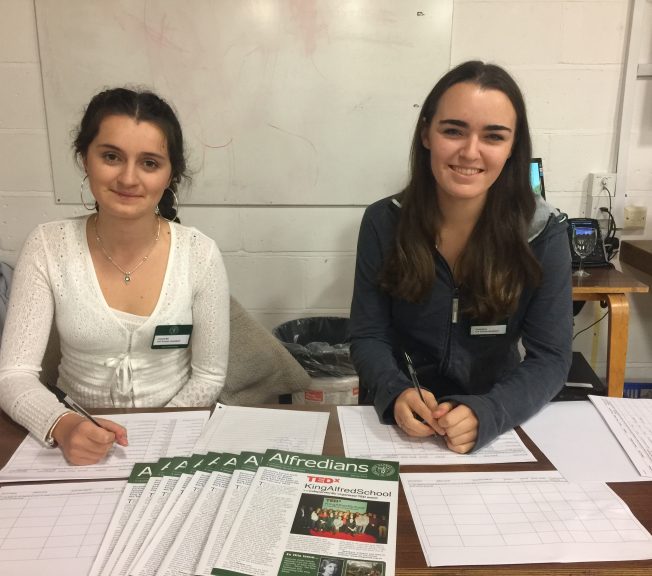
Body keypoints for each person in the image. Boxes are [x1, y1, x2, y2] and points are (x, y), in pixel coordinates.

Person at [349, 61, 572, 454]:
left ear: (512, 148)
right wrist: (394, 391)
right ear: (426, 135)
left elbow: (551, 358)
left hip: (495, 424)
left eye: (494, 136)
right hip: (400, 428)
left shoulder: (544, 232)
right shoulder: (382, 222)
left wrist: (491, 411)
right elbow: (368, 334)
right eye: (453, 130)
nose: (470, 152)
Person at [0, 88, 229, 465]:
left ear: (171, 174)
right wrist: (62, 424)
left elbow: (208, 377)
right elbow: (13, 375)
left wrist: (155, 436)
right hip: (75, 440)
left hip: (174, 437)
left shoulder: (200, 255)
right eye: (111, 156)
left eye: (150, 163)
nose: (128, 177)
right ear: (84, 158)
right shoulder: (46, 245)